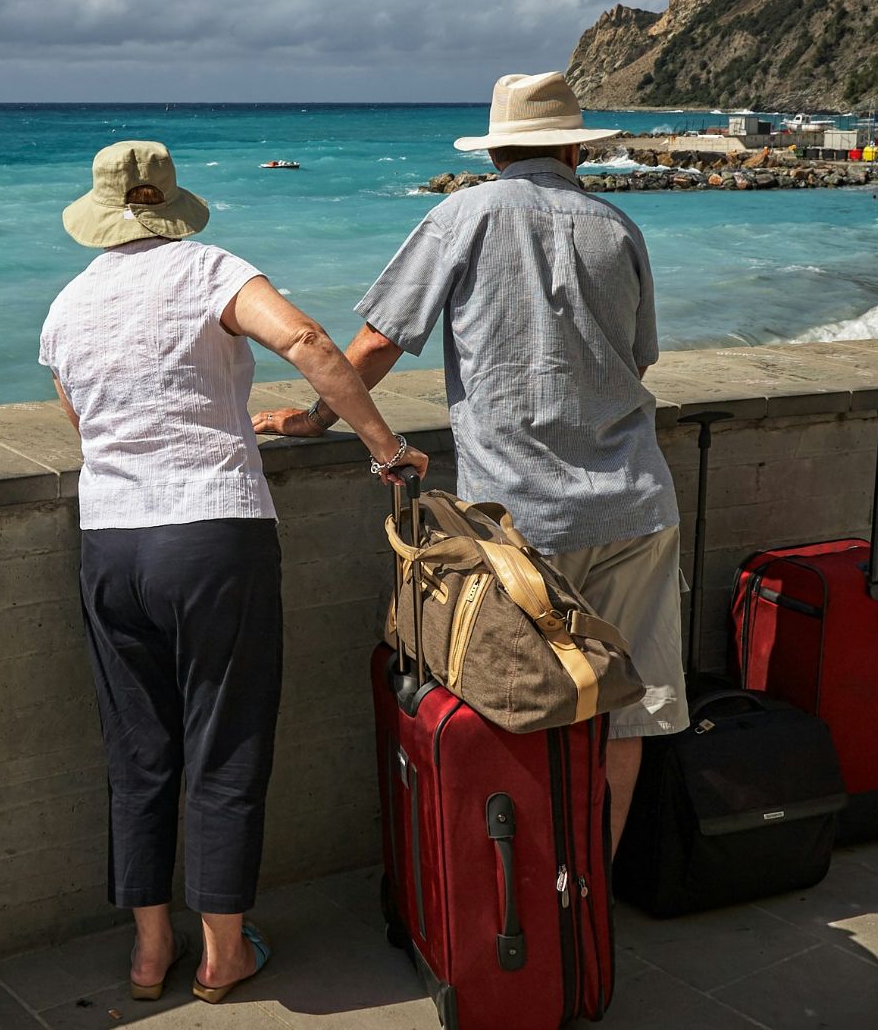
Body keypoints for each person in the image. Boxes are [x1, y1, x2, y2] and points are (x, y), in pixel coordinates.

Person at [254, 72, 686, 854]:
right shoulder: (617, 226)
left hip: (521, 520)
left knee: (521, 705)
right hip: (636, 504)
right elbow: (639, 363)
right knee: (633, 710)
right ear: (572, 147)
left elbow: (380, 339)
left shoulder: (464, 214)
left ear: (495, 151)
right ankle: (592, 895)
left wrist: (316, 417)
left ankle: (531, 904)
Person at [41, 140, 428, 1005]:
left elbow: (86, 424)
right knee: (226, 741)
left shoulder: (66, 307)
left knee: (138, 750)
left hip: (111, 541)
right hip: (212, 533)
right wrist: (385, 447)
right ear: (171, 205)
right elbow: (307, 339)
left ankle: (148, 952)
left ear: (100, 214)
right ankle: (222, 953)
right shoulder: (210, 269)